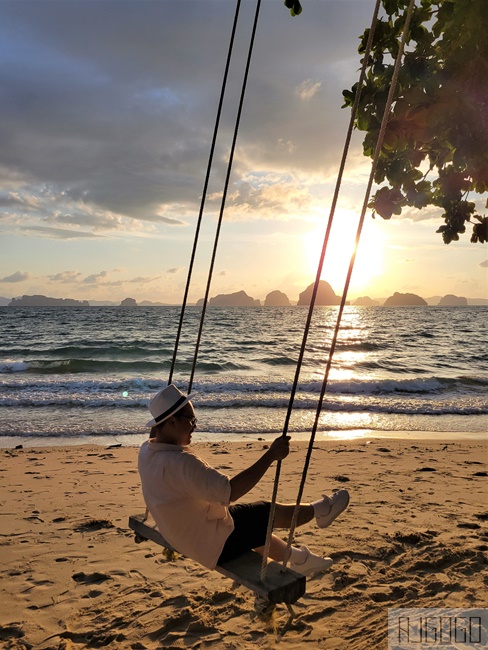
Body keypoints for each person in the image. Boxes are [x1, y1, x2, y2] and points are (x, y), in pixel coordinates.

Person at [138, 384, 350, 577]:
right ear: (172, 422)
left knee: (250, 524)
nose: (195, 426)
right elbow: (230, 491)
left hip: (186, 534)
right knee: (267, 512)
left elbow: (158, 429)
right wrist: (270, 456)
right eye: (191, 421)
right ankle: (322, 510)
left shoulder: (146, 450)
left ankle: (300, 559)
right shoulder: (180, 463)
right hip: (212, 545)